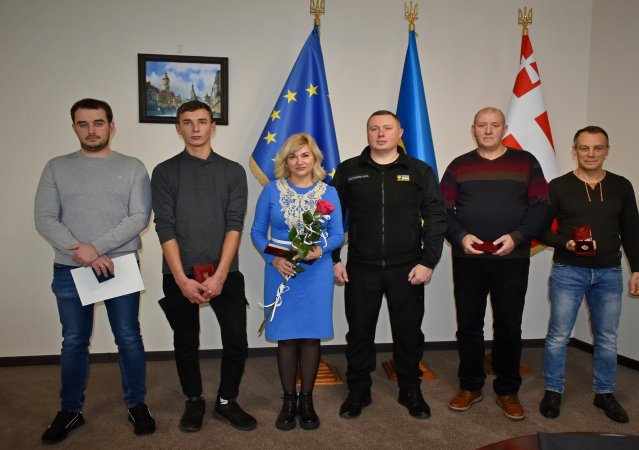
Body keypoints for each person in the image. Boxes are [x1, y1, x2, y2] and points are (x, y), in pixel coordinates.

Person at [35, 98, 155, 443]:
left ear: (111, 126)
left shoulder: (133, 167)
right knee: (74, 340)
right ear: (74, 127)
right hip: (70, 267)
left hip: (120, 264)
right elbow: (45, 218)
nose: (91, 130)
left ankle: (137, 404)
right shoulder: (56, 167)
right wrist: (83, 253)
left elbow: (139, 217)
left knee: (128, 337)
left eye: (98, 123)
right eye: (83, 124)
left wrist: (96, 248)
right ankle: (70, 410)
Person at [331, 110, 446, 420]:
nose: (380, 134)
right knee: (359, 334)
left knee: (409, 334)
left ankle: (410, 389)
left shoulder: (419, 171)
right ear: (367, 132)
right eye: (374, 128)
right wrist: (334, 259)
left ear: (400, 132)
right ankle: (358, 390)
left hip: (407, 269)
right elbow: (330, 217)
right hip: (361, 268)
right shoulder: (348, 170)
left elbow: (436, 217)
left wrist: (428, 261)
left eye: (387, 128)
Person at [151, 101, 256, 432]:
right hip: (179, 273)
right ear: (178, 128)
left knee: (236, 340)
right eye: (187, 122)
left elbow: (234, 224)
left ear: (213, 127)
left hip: (225, 272)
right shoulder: (164, 172)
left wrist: (221, 276)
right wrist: (181, 279)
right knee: (186, 341)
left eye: (202, 121)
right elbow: (164, 227)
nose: (195, 128)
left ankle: (226, 400)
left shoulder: (232, 171)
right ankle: (194, 399)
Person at [440, 106, 549, 421]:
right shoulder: (459, 166)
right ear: (473, 129)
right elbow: (442, 209)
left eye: (495, 125)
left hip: (512, 260)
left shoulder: (526, 162)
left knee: (509, 327)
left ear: (504, 129)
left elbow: (541, 206)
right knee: (469, 326)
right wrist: (460, 237)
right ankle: (470, 386)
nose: (488, 131)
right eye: (482, 125)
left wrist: (517, 237)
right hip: (468, 260)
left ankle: (507, 390)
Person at [538, 126, 639, 423]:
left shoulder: (621, 186)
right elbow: (542, 231)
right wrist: (567, 243)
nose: (591, 154)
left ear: (607, 150)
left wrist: (637, 269)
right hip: (568, 271)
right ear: (574, 150)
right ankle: (553, 390)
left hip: (609, 273)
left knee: (607, 338)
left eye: (598, 148)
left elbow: (631, 231)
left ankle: (604, 393)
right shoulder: (558, 186)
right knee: (559, 335)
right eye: (584, 148)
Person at [251, 133, 344, 431]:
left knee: (311, 337)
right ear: (285, 161)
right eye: (293, 156)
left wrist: (320, 248)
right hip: (280, 271)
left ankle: (307, 400)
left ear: (315, 158)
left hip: (316, 274)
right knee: (287, 338)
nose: (299, 161)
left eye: (305, 155)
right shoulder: (271, 190)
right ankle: (288, 400)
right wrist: (274, 259)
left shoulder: (329, 192)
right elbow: (257, 232)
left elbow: (338, 234)